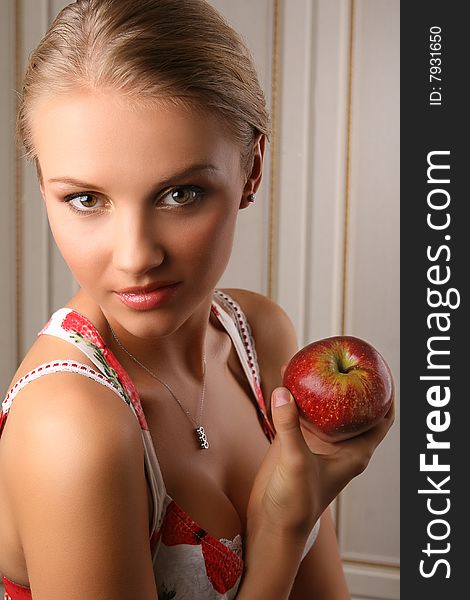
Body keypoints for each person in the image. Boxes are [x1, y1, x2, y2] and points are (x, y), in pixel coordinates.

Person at [0, 0, 394, 598]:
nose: (135, 256)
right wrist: (283, 531)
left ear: (252, 168)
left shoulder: (257, 337)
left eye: (180, 193)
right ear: (43, 185)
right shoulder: (73, 427)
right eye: (85, 199)